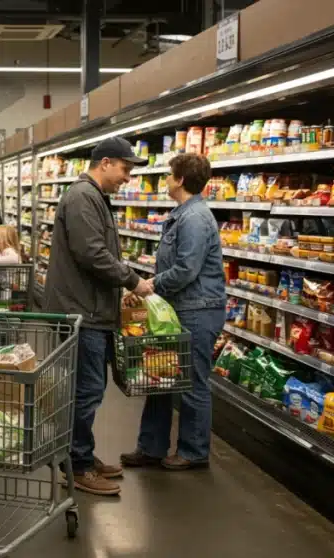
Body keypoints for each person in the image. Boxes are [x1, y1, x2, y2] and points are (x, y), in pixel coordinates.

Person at [43, 137, 153, 496]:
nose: (127, 177)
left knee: (87, 388)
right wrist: (132, 280)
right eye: (125, 168)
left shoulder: (94, 196)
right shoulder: (82, 197)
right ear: (105, 162)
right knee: (85, 390)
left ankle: (82, 456)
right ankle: (76, 464)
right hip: (81, 311)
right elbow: (91, 252)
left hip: (90, 308)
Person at [121, 153, 226, 470]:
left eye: (169, 175)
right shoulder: (183, 213)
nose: (165, 179)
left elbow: (186, 269)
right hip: (178, 308)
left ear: (180, 180)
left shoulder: (194, 218)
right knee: (160, 376)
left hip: (198, 309)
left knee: (193, 381)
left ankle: (194, 452)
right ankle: (151, 447)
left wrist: (150, 285)